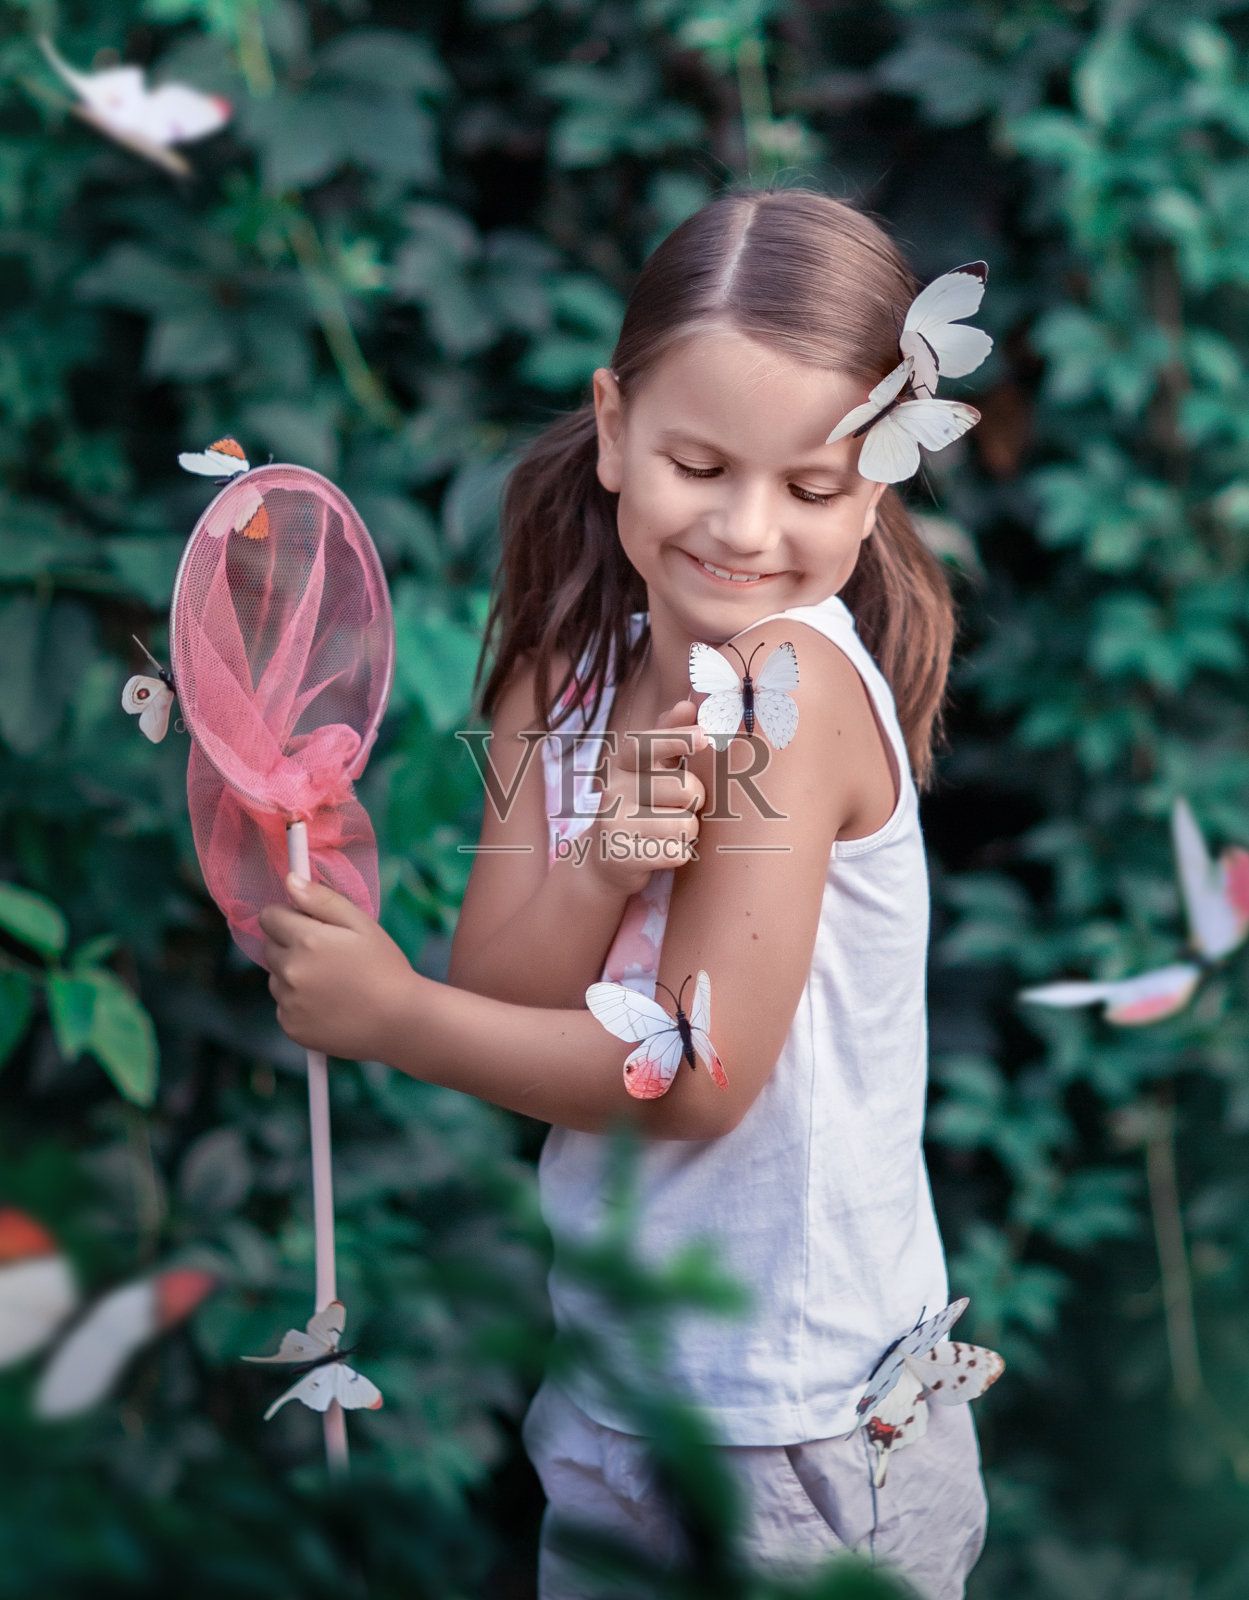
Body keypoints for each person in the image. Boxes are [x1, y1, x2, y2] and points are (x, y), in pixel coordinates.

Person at [258, 187, 989, 1598]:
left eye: (812, 488)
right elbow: (506, 997)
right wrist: (602, 856)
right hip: (617, 1389)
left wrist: (389, 1019)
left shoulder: (789, 691)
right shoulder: (560, 674)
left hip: (801, 1425)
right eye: (697, 464)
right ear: (613, 427)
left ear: (878, 487)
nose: (747, 529)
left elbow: (699, 1079)